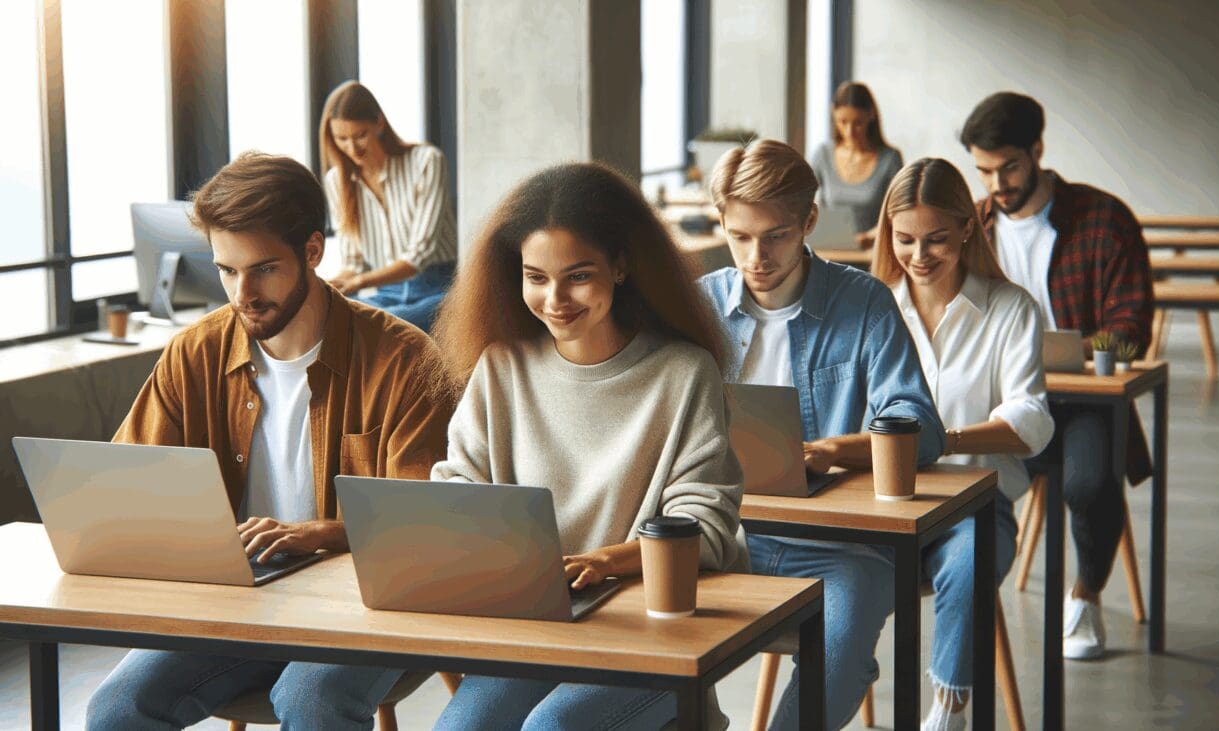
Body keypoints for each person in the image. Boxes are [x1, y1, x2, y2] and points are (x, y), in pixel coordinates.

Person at [85, 152, 454, 730]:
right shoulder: (196, 352)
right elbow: (128, 481)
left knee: (311, 699)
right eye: (227, 271)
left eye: (263, 269)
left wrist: (323, 533)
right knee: (116, 708)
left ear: (313, 251)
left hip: (362, 605)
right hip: (240, 602)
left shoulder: (403, 360)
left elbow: (428, 524)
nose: (243, 293)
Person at [427, 162, 745, 729]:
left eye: (577, 276)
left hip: (647, 638)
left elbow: (707, 529)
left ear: (620, 266)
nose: (555, 299)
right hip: (534, 632)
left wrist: (604, 562)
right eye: (536, 277)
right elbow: (457, 491)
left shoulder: (683, 372)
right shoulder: (502, 368)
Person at [698, 139, 945, 730]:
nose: (756, 257)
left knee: (842, 646)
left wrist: (834, 451)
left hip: (841, 545)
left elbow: (921, 426)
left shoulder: (864, 301)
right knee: (637, 632)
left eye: (775, 236)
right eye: (739, 236)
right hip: (722, 533)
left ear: (809, 221)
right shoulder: (699, 306)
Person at [960, 91, 1155, 660]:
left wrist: (1065, 350)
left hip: (1083, 404)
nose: (996, 184)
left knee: (1089, 484)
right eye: (984, 171)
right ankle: (964, 601)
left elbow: (1131, 331)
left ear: (1038, 150)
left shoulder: (1104, 220)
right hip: (1002, 399)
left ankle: (1085, 594)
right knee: (947, 472)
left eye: (1008, 167)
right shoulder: (973, 227)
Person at [871, 157, 1055, 730]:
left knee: (971, 557)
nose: (919, 256)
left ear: (967, 229)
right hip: (882, 508)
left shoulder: (1010, 309)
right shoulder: (874, 307)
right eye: (905, 239)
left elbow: (1031, 419)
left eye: (936, 239)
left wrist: (937, 442)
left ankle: (949, 709)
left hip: (976, 506)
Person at [321, 80, 458, 331]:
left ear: (379, 123)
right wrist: (325, 288)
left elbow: (419, 255)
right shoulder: (336, 181)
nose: (352, 148)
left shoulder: (426, 162)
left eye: (360, 135)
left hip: (437, 288)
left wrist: (359, 282)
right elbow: (353, 264)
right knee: (328, 317)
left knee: (381, 323)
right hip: (386, 293)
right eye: (342, 139)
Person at [809, 81, 904, 249]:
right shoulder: (822, 154)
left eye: (858, 123)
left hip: (872, 250)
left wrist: (870, 236)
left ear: (871, 115)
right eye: (842, 122)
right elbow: (800, 201)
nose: (849, 132)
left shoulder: (890, 159)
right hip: (829, 249)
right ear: (833, 115)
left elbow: (900, 212)